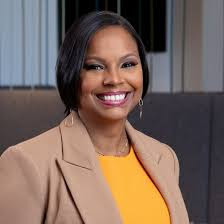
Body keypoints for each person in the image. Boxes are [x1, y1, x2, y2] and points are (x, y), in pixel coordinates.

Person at [0, 11, 189, 224]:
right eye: (95, 67)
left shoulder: (164, 158)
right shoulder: (28, 163)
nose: (114, 79)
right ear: (71, 73)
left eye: (128, 64)